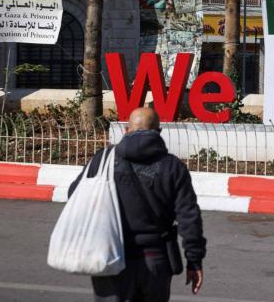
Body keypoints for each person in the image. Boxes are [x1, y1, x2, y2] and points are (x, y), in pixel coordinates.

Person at [69, 107, 207, 301]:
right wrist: (194, 261)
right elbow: (189, 217)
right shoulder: (172, 166)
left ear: (126, 130)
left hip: (109, 257)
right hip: (156, 260)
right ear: (158, 132)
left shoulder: (103, 160)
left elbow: (74, 196)